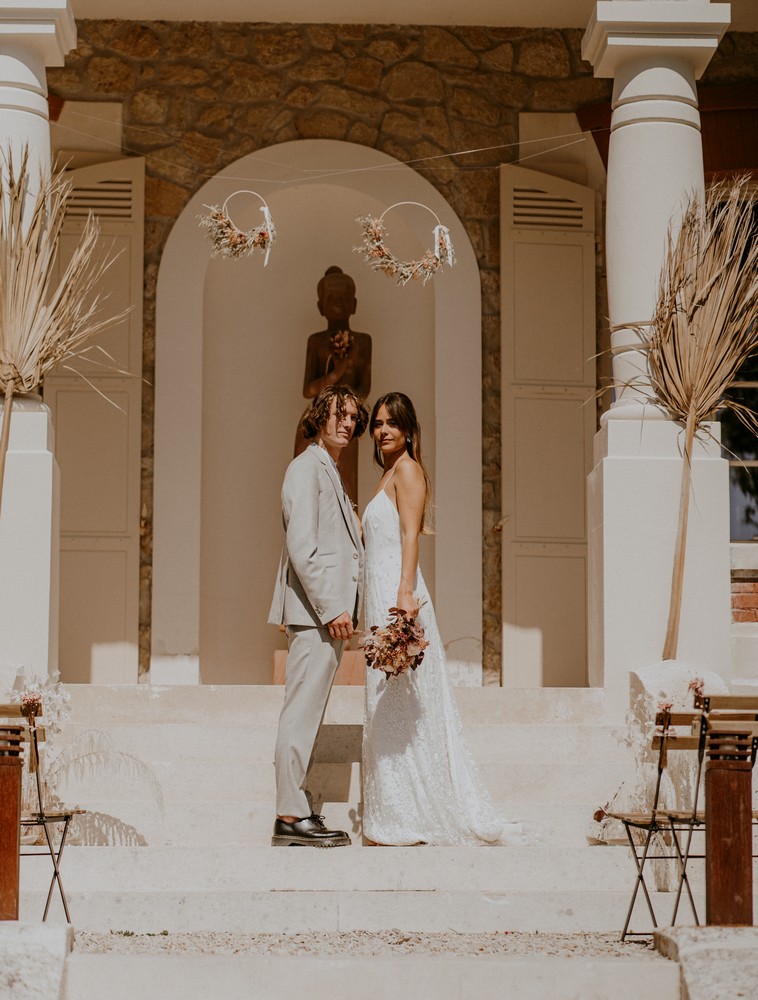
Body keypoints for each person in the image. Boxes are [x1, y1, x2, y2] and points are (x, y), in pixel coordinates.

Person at [361, 392, 521, 846]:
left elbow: (411, 536)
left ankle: (410, 812)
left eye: (392, 423)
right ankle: (393, 809)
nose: (384, 430)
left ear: (409, 429)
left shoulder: (408, 470)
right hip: (378, 592)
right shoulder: (387, 473)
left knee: (404, 697)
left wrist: (405, 593)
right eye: (377, 423)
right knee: (385, 698)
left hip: (397, 592)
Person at [269, 384, 368, 847]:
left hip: (325, 616)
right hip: (314, 616)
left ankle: (297, 806)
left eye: (352, 417)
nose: (347, 422)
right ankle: (289, 814)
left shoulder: (328, 469)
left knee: (308, 714)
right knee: (300, 713)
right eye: (338, 414)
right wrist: (332, 609)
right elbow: (303, 549)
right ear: (318, 417)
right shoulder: (305, 469)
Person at [294, 266, 372, 505]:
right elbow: (308, 390)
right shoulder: (317, 342)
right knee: (308, 486)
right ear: (321, 306)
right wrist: (335, 373)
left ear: (353, 304)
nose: (337, 303)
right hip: (316, 420)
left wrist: (343, 408)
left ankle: (347, 536)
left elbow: (364, 389)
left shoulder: (362, 342)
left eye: (342, 298)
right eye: (331, 299)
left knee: (345, 486)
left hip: (346, 421)